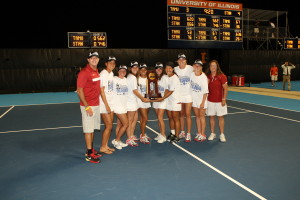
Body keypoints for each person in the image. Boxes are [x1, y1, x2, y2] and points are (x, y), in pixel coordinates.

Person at [76, 51, 102, 163]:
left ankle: (90, 150)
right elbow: (79, 90)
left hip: (96, 104)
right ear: (88, 60)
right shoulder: (84, 72)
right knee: (88, 130)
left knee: (92, 129)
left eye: (96, 58)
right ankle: (89, 154)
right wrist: (87, 107)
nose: (94, 59)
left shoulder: (96, 71)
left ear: (98, 60)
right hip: (88, 106)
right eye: (92, 58)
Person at [205, 60, 228, 143]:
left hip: (219, 101)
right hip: (210, 101)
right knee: (211, 117)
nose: (213, 67)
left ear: (217, 67)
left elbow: (225, 88)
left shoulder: (222, 76)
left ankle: (222, 134)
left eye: (214, 65)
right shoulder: (208, 77)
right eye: (211, 65)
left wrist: (224, 99)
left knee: (220, 117)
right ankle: (212, 133)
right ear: (209, 67)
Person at [174, 53, 194, 142]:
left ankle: (188, 133)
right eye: (180, 60)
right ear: (177, 61)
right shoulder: (175, 69)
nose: (181, 61)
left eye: (183, 59)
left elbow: (200, 73)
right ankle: (182, 131)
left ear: (186, 61)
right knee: (181, 114)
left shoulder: (191, 68)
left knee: (188, 114)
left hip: (188, 95)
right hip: (179, 95)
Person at [99, 56, 117, 154]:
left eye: (114, 63)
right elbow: (101, 91)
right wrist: (106, 105)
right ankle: (102, 147)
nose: (112, 65)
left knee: (110, 126)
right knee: (108, 126)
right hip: (104, 103)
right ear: (106, 64)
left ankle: (106, 145)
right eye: (110, 63)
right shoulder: (103, 74)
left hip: (111, 103)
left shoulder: (112, 73)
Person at [111, 64, 130, 150]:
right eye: (121, 70)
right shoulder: (114, 79)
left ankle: (117, 143)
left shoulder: (126, 80)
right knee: (126, 124)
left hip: (124, 106)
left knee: (120, 124)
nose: (123, 72)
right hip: (117, 106)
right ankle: (116, 140)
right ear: (118, 71)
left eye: (124, 71)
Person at [190, 59, 209, 142]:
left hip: (202, 100)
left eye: (199, 65)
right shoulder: (191, 75)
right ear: (193, 66)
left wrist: (202, 102)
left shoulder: (203, 77)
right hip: (194, 100)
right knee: (197, 117)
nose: (197, 67)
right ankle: (199, 132)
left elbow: (205, 92)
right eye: (195, 65)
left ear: (201, 67)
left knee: (202, 117)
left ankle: (203, 134)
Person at [163, 61, 182, 143]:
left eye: (170, 68)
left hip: (175, 101)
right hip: (169, 101)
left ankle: (177, 136)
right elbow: (167, 89)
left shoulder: (175, 78)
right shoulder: (167, 77)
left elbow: (170, 91)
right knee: (170, 117)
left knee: (175, 118)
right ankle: (172, 133)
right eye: (167, 68)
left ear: (173, 69)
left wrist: (162, 98)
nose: (168, 69)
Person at [152, 62, 168, 143]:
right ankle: (160, 134)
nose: (159, 70)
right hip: (155, 100)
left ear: (163, 69)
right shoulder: (153, 77)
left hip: (162, 100)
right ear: (155, 69)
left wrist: (163, 98)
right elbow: (151, 89)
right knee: (158, 118)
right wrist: (152, 97)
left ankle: (163, 135)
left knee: (160, 117)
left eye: (160, 68)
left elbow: (167, 90)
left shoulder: (165, 77)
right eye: (157, 68)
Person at [137, 63, 152, 144]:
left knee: (143, 119)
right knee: (145, 118)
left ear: (147, 70)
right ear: (139, 70)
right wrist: (141, 98)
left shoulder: (149, 79)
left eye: (145, 69)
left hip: (148, 101)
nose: (143, 71)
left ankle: (142, 134)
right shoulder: (137, 79)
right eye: (141, 69)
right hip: (140, 101)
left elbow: (152, 90)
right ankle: (142, 136)